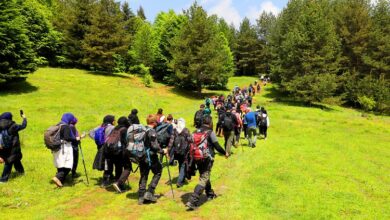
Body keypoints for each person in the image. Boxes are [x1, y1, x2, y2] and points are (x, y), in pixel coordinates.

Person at [186, 115, 229, 210]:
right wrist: (224, 152)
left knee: (204, 175)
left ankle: (210, 194)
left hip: (196, 158)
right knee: (204, 178)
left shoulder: (195, 131)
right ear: (210, 122)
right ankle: (192, 201)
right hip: (207, 158)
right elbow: (217, 146)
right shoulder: (210, 132)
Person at [138, 114, 168, 205]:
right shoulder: (152, 132)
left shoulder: (142, 130)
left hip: (141, 156)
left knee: (144, 175)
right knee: (158, 171)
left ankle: (141, 197)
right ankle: (150, 192)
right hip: (150, 157)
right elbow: (155, 146)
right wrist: (163, 151)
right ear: (154, 122)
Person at [52, 113, 80, 187]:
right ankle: (57, 177)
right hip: (64, 147)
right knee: (68, 165)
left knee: (61, 164)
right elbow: (67, 138)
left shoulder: (58, 125)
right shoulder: (66, 126)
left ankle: (60, 181)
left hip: (57, 147)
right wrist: (76, 138)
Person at [102, 117, 129, 188]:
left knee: (108, 167)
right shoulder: (124, 129)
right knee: (119, 167)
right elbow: (124, 142)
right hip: (117, 151)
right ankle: (118, 183)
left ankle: (105, 182)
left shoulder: (115, 128)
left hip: (108, 150)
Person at [0, 112, 27, 183]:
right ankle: (3, 180)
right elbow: (23, 126)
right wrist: (24, 118)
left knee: (16, 159)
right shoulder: (13, 125)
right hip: (13, 148)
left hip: (2, 148)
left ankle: (21, 172)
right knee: (9, 162)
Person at [90, 115, 116, 187]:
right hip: (108, 148)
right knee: (108, 163)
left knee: (106, 162)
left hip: (100, 147)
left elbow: (90, 132)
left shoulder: (101, 126)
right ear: (111, 121)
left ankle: (111, 176)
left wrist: (98, 140)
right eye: (114, 120)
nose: (115, 121)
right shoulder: (112, 127)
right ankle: (105, 181)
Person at [167, 118, 191, 188]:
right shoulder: (186, 130)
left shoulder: (174, 131)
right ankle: (179, 182)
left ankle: (182, 178)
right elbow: (190, 140)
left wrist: (168, 150)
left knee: (181, 164)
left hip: (176, 152)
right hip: (184, 152)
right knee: (183, 165)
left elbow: (171, 142)